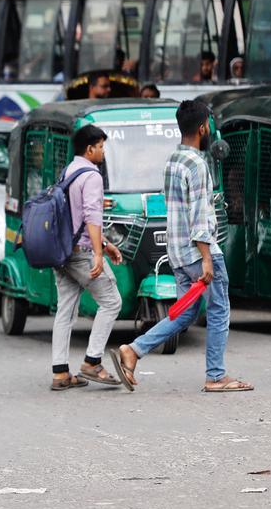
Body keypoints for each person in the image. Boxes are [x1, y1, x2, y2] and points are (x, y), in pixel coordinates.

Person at [108, 101, 252, 393]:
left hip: (177, 254)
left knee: (184, 313)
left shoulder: (173, 160)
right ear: (202, 128)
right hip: (199, 253)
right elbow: (199, 217)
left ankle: (133, 350)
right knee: (219, 309)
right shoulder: (197, 164)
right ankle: (216, 376)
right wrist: (207, 259)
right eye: (209, 125)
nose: (210, 130)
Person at [49, 125, 124, 391]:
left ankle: (60, 373)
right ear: (90, 149)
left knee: (65, 310)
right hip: (80, 253)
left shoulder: (68, 171)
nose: (103, 151)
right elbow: (92, 217)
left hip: (61, 251)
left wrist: (106, 244)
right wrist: (99, 253)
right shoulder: (91, 175)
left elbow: (74, 217)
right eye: (101, 147)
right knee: (112, 301)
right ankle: (92, 361)